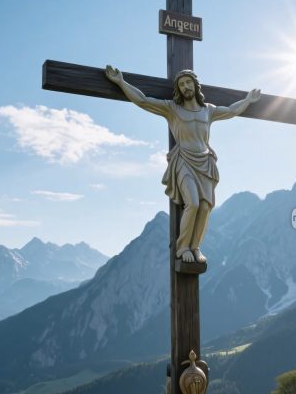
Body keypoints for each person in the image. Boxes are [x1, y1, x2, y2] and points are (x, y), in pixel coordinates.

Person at [105, 65, 260, 263]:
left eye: (188, 82)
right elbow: (142, 100)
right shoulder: (173, 109)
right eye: (182, 84)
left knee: (205, 207)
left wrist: (248, 100)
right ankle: (182, 248)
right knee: (193, 203)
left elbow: (230, 111)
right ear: (178, 89)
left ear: (196, 85)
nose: (186, 87)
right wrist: (120, 81)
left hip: (205, 161)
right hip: (184, 161)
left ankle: (195, 247)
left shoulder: (208, 111)